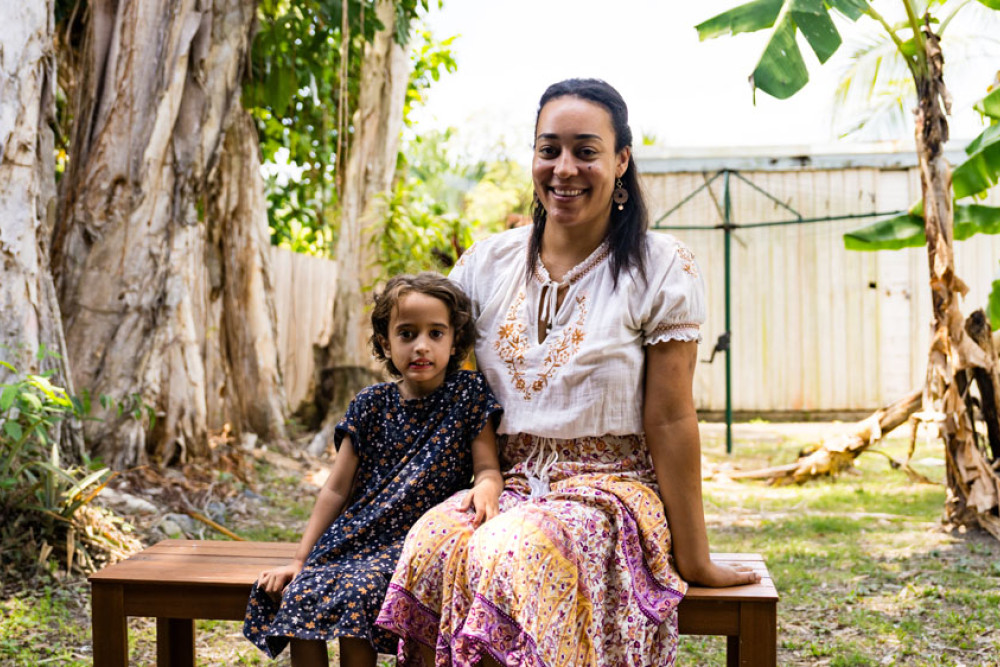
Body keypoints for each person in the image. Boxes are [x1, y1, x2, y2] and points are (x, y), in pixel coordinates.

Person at [375, 79, 760, 667]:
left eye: (586, 151)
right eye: (548, 149)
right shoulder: (485, 263)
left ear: (621, 161)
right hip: (505, 485)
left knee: (518, 547)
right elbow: (440, 383)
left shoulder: (660, 267)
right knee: (431, 543)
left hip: (610, 491)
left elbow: (673, 416)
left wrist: (696, 556)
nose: (564, 168)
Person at [244, 272, 504, 667]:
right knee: (302, 590)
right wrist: (300, 559)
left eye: (436, 334)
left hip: (414, 542)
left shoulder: (467, 395)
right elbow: (335, 489)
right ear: (385, 342)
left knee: (359, 590)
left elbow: (487, 468)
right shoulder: (369, 404)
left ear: (454, 342)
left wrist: (487, 487)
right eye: (406, 334)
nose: (421, 346)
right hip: (355, 535)